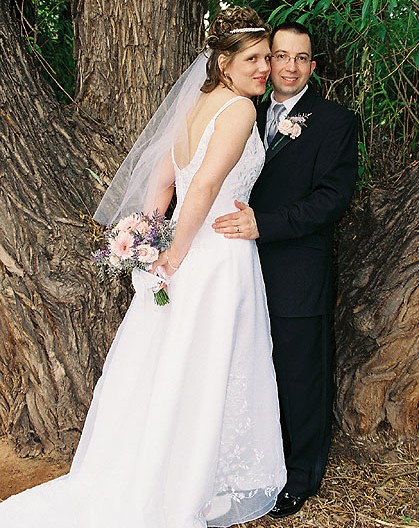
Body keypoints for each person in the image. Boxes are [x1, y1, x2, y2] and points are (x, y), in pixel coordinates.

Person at [0, 7, 286, 527]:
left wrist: (150, 242)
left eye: (267, 57)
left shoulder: (196, 105)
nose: (264, 67)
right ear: (224, 62)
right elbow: (199, 188)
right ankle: (186, 485)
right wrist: (170, 255)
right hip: (214, 256)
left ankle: (167, 471)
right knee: (206, 367)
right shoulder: (240, 110)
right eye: (253, 57)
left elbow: (162, 187)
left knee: (172, 367)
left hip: (186, 251)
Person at [213, 21, 358, 518]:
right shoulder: (243, 113)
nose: (290, 66)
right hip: (238, 269)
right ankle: (258, 464)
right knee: (252, 370)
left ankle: (301, 476)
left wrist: (264, 224)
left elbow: (331, 201)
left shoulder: (335, 121)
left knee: (300, 376)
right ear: (267, 61)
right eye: (280, 56)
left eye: (302, 58)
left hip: (297, 269)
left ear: (313, 66)